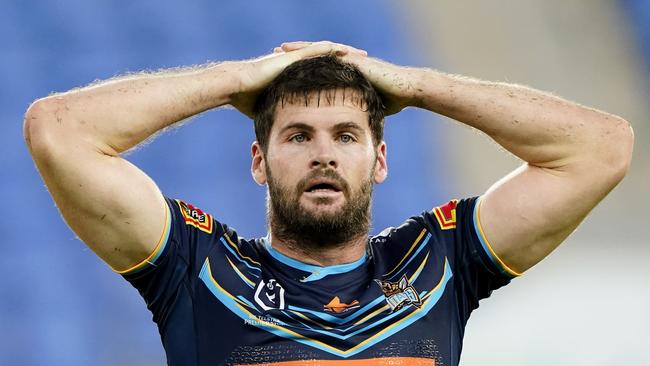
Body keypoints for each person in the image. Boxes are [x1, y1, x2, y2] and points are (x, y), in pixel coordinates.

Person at [23, 41, 633, 365]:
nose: (324, 156)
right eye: (297, 137)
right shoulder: (198, 270)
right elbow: (58, 129)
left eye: (346, 136)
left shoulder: (439, 263)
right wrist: (240, 79)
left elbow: (601, 147)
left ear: (381, 160)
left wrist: (419, 86)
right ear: (259, 162)